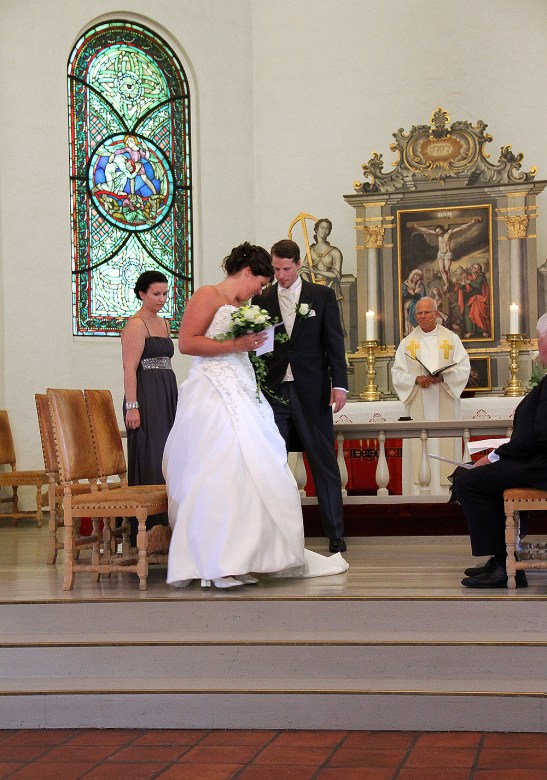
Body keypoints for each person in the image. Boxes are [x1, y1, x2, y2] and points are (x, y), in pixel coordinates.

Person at [163, 242, 349, 589]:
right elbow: (187, 343)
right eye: (261, 282)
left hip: (244, 386)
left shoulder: (244, 304)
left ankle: (239, 557)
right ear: (247, 272)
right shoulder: (208, 294)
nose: (262, 290)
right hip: (213, 392)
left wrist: (252, 345)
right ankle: (214, 564)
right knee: (219, 471)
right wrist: (235, 345)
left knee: (251, 473)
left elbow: (249, 348)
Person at [252, 239, 348, 553]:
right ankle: (275, 534)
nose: (280, 275)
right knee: (272, 462)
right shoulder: (263, 301)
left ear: (298, 265)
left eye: (286, 269)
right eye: (276, 269)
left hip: (313, 389)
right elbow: (262, 351)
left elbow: (334, 343)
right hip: (275, 392)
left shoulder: (321, 296)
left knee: (323, 461)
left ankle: (335, 532)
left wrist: (340, 385)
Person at [453, 313, 547, 588]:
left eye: (540, 341)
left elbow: (540, 434)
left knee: (469, 481)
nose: (538, 349)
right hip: (537, 461)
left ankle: (502, 565)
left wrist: (497, 456)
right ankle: (501, 558)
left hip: (540, 466)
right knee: (478, 477)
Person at [391, 296, 470, 495]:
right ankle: (417, 491)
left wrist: (442, 378)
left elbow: (464, 368)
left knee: (444, 443)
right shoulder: (408, 343)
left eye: (428, 312)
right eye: (420, 313)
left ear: (436, 314)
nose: (423, 316)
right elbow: (397, 373)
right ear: (415, 316)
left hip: (444, 397)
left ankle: (447, 491)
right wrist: (416, 380)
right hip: (419, 400)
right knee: (419, 446)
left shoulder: (451, 339)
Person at [122, 270, 178, 545]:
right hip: (145, 396)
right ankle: (147, 532)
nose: (162, 299)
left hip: (167, 393)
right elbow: (129, 369)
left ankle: (167, 527)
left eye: (165, 293)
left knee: (170, 454)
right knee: (152, 455)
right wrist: (133, 406)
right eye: (156, 294)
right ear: (142, 294)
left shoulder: (165, 324)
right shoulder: (135, 325)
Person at [409, 218, 481, 292]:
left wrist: (472, 223)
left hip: (447, 254)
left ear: (442, 229)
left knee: (447, 269)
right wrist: (418, 227)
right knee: (441, 270)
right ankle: (446, 284)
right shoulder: (438, 235)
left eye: (439, 231)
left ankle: (448, 283)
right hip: (440, 254)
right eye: (436, 232)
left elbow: (461, 228)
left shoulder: (449, 233)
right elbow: (427, 231)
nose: (438, 233)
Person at [300, 218, 346, 334]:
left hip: (330, 289)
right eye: (322, 228)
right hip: (313, 291)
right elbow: (302, 270)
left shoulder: (335, 252)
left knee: (332, 323)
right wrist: (310, 285)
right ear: (316, 230)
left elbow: (336, 275)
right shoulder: (310, 251)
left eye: (327, 229)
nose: (324, 231)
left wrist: (316, 272)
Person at [457, 262, 491, 338]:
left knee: (477, 314)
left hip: (479, 298)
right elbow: (462, 288)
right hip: (469, 298)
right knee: (467, 315)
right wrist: (462, 284)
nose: (472, 268)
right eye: (472, 266)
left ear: (479, 271)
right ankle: (470, 331)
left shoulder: (481, 277)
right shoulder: (469, 276)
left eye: (475, 267)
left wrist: (467, 281)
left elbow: (477, 286)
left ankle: (482, 330)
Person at [402, 269, 426, 335]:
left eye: (418, 276)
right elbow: (403, 294)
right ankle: (411, 330)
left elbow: (423, 296)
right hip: (409, 302)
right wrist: (411, 294)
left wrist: (416, 293)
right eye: (415, 276)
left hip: (418, 301)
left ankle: (417, 329)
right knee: (413, 307)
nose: (416, 278)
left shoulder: (421, 285)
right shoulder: (406, 284)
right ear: (412, 275)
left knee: (417, 307)